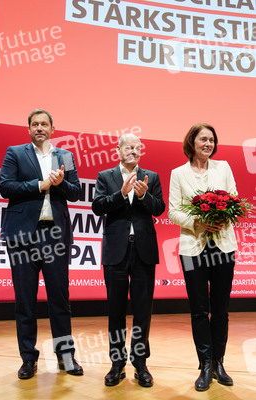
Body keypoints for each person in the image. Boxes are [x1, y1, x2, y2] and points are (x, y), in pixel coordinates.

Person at [0, 109, 83, 379]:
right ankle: (28, 358)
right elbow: (5, 187)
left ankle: (65, 357)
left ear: (52, 129)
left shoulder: (65, 156)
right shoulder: (15, 152)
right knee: (25, 300)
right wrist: (40, 184)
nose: (39, 128)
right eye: (34, 124)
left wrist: (57, 184)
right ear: (28, 129)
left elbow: (76, 191)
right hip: (22, 238)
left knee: (60, 299)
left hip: (55, 236)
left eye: (44, 124)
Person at [92, 134, 165, 387]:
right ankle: (117, 363)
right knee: (116, 310)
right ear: (118, 150)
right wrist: (121, 194)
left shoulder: (152, 177)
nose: (133, 151)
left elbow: (159, 209)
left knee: (143, 311)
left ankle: (141, 363)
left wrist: (144, 197)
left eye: (137, 148)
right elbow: (98, 206)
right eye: (128, 147)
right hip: (116, 251)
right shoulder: (105, 176)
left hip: (143, 250)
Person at [168, 123, 237, 391]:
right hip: (192, 248)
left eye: (211, 140)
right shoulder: (178, 173)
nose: (208, 144)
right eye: (203, 139)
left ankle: (219, 362)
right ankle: (205, 364)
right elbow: (173, 211)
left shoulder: (224, 167)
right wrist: (199, 223)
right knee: (199, 310)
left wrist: (220, 218)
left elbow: (233, 198)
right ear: (192, 142)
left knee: (221, 309)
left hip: (223, 245)